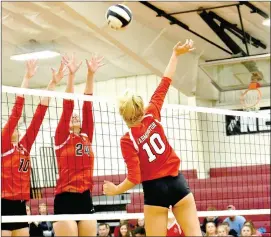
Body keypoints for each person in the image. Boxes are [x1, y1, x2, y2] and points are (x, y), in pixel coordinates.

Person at [103, 39, 201, 236]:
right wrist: (175, 54)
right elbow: (165, 82)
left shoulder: (127, 139)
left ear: (123, 114)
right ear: (140, 106)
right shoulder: (152, 113)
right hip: (177, 183)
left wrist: (116, 190)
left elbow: (134, 177)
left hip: (155, 191)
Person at [1, 59, 65, 237]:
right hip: (3, 205)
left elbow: (39, 114)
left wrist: (52, 83)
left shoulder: (24, 147)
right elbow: (16, 113)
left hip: (20, 205)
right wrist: (26, 78)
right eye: (9, 126)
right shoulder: (3, 145)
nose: (14, 126)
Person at [53, 53, 104, 236]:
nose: (75, 116)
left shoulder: (86, 136)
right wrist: (71, 76)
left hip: (85, 197)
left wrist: (90, 74)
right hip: (65, 198)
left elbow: (87, 106)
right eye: (71, 117)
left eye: (77, 117)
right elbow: (68, 106)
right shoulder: (61, 138)